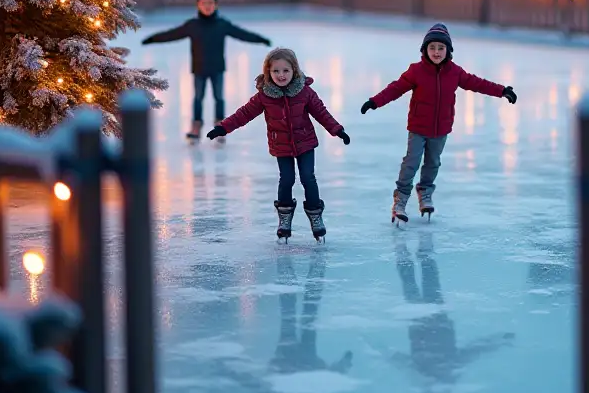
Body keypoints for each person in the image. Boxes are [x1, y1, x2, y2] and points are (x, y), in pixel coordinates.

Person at [361, 23, 516, 222]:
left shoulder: (455, 72)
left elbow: (478, 83)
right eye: (432, 47)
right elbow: (396, 88)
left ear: (448, 51)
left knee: (433, 163)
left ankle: (425, 192)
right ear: (424, 49)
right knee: (411, 162)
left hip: (441, 129)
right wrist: (374, 101)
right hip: (418, 127)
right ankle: (400, 199)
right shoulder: (416, 71)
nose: (436, 52)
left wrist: (502, 90)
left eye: (441, 48)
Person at [207, 47, 349, 241]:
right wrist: (223, 128)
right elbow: (244, 113)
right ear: (268, 72)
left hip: (305, 143)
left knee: (308, 177)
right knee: (287, 179)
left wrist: (337, 130)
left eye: (285, 71)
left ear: (294, 71)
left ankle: (316, 217)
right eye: (276, 71)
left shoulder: (305, 92)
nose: (281, 75)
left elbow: (321, 113)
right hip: (281, 145)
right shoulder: (265, 95)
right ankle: (284, 219)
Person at [141, 0, 270, 140]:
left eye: (210, 2)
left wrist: (261, 39)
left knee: (219, 98)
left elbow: (242, 34)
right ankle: (196, 127)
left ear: (216, 5)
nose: (207, 6)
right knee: (198, 98)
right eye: (204, 3)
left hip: (217, 69)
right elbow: (171, 34)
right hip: (199, 69)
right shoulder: (193, 25)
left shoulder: (222, 24)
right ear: (198, 5)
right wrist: (152, 39)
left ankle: (220, 126)